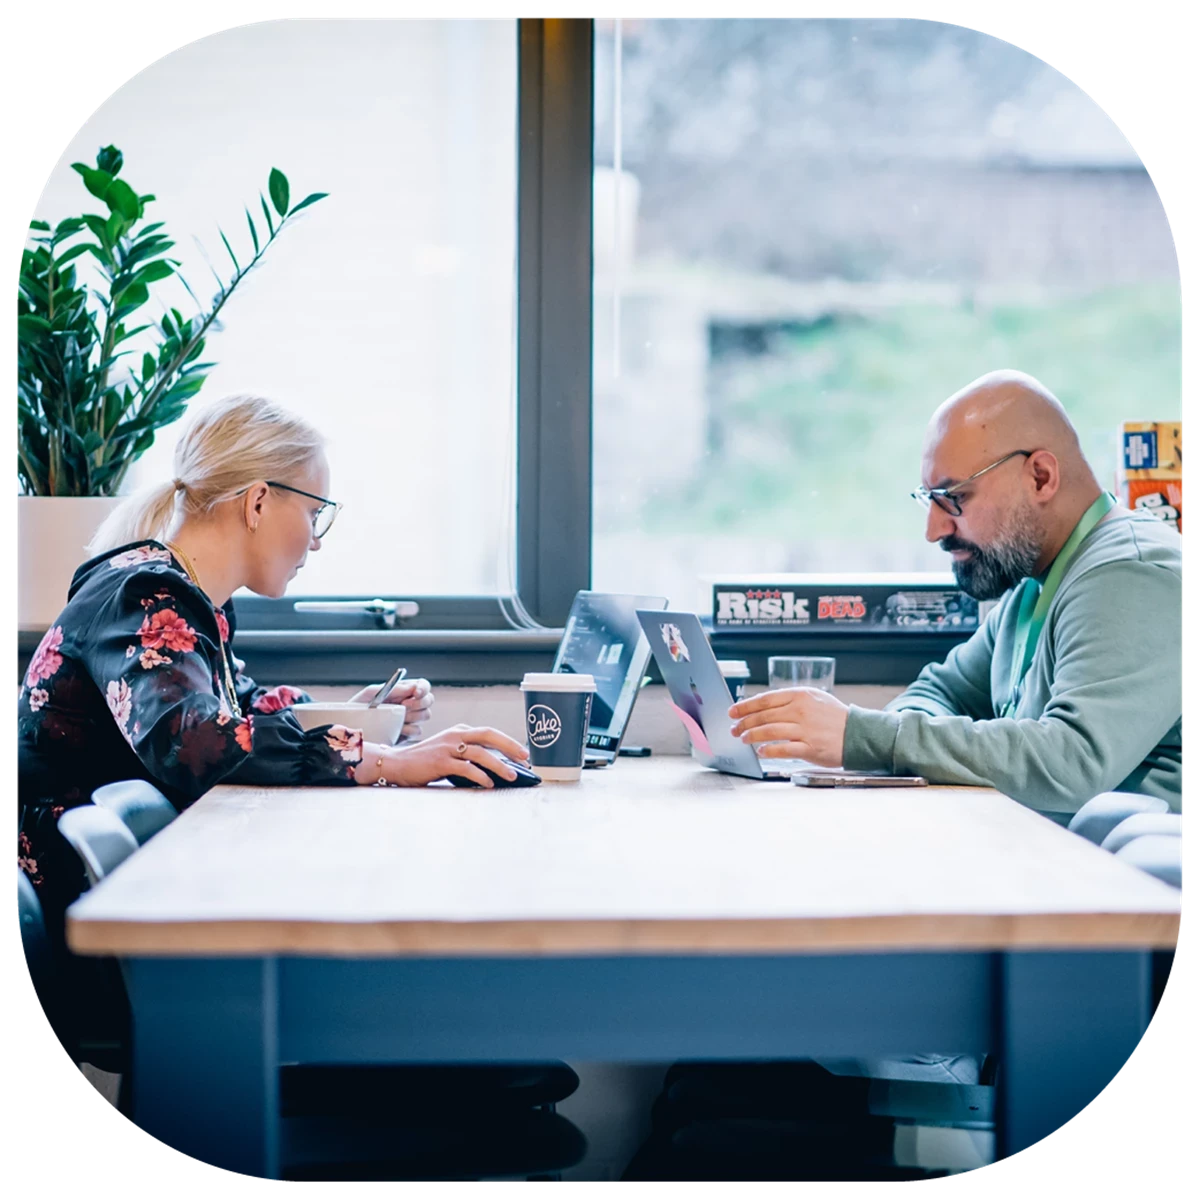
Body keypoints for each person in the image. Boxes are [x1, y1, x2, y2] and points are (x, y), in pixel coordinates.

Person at [16, 393, 530, 937]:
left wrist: (351, 719)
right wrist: (386, 761)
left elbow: (240, 708)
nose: (315, 540)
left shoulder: (188, 600)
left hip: (124, 901)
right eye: (314, 513)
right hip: (85, 924)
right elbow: (195, 742)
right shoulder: (144, 595)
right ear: (258, 502)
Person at [729, 369, 1184, 819]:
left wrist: (860, 734)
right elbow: (938, 691)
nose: (934, 530)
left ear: (1041, 477)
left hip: (1121, 876)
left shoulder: (1131, 575)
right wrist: (887, 738)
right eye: (928, 499)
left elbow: (1071, 764)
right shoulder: (1034, 585)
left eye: (953, 498)